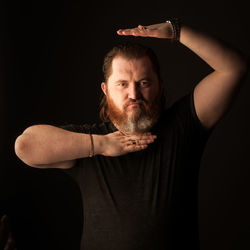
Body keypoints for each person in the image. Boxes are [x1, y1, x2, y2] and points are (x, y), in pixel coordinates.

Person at [14, 19, 247, 250]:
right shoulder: (89, 143)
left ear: (160, 85)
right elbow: (25, 146)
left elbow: (233, 68)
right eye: (122, 84)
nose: (134, 93)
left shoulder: (183, 124)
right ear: (106, 90)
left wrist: (177, 31)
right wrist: (102, 144)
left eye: (143, 82)